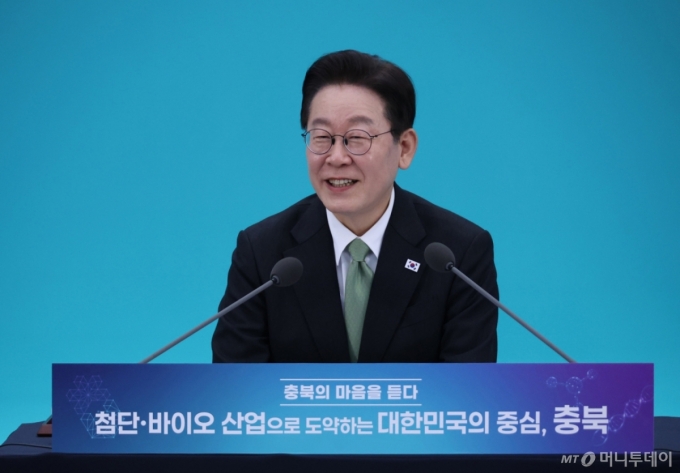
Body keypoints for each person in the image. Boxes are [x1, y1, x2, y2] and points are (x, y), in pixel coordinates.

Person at [212, 50, 498, 363]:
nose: (336, 157)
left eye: (357, 137)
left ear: (404, 148)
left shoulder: (458, 254)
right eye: (321, 137)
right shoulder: (262, 253)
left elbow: (467, 387)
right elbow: (235, 384)